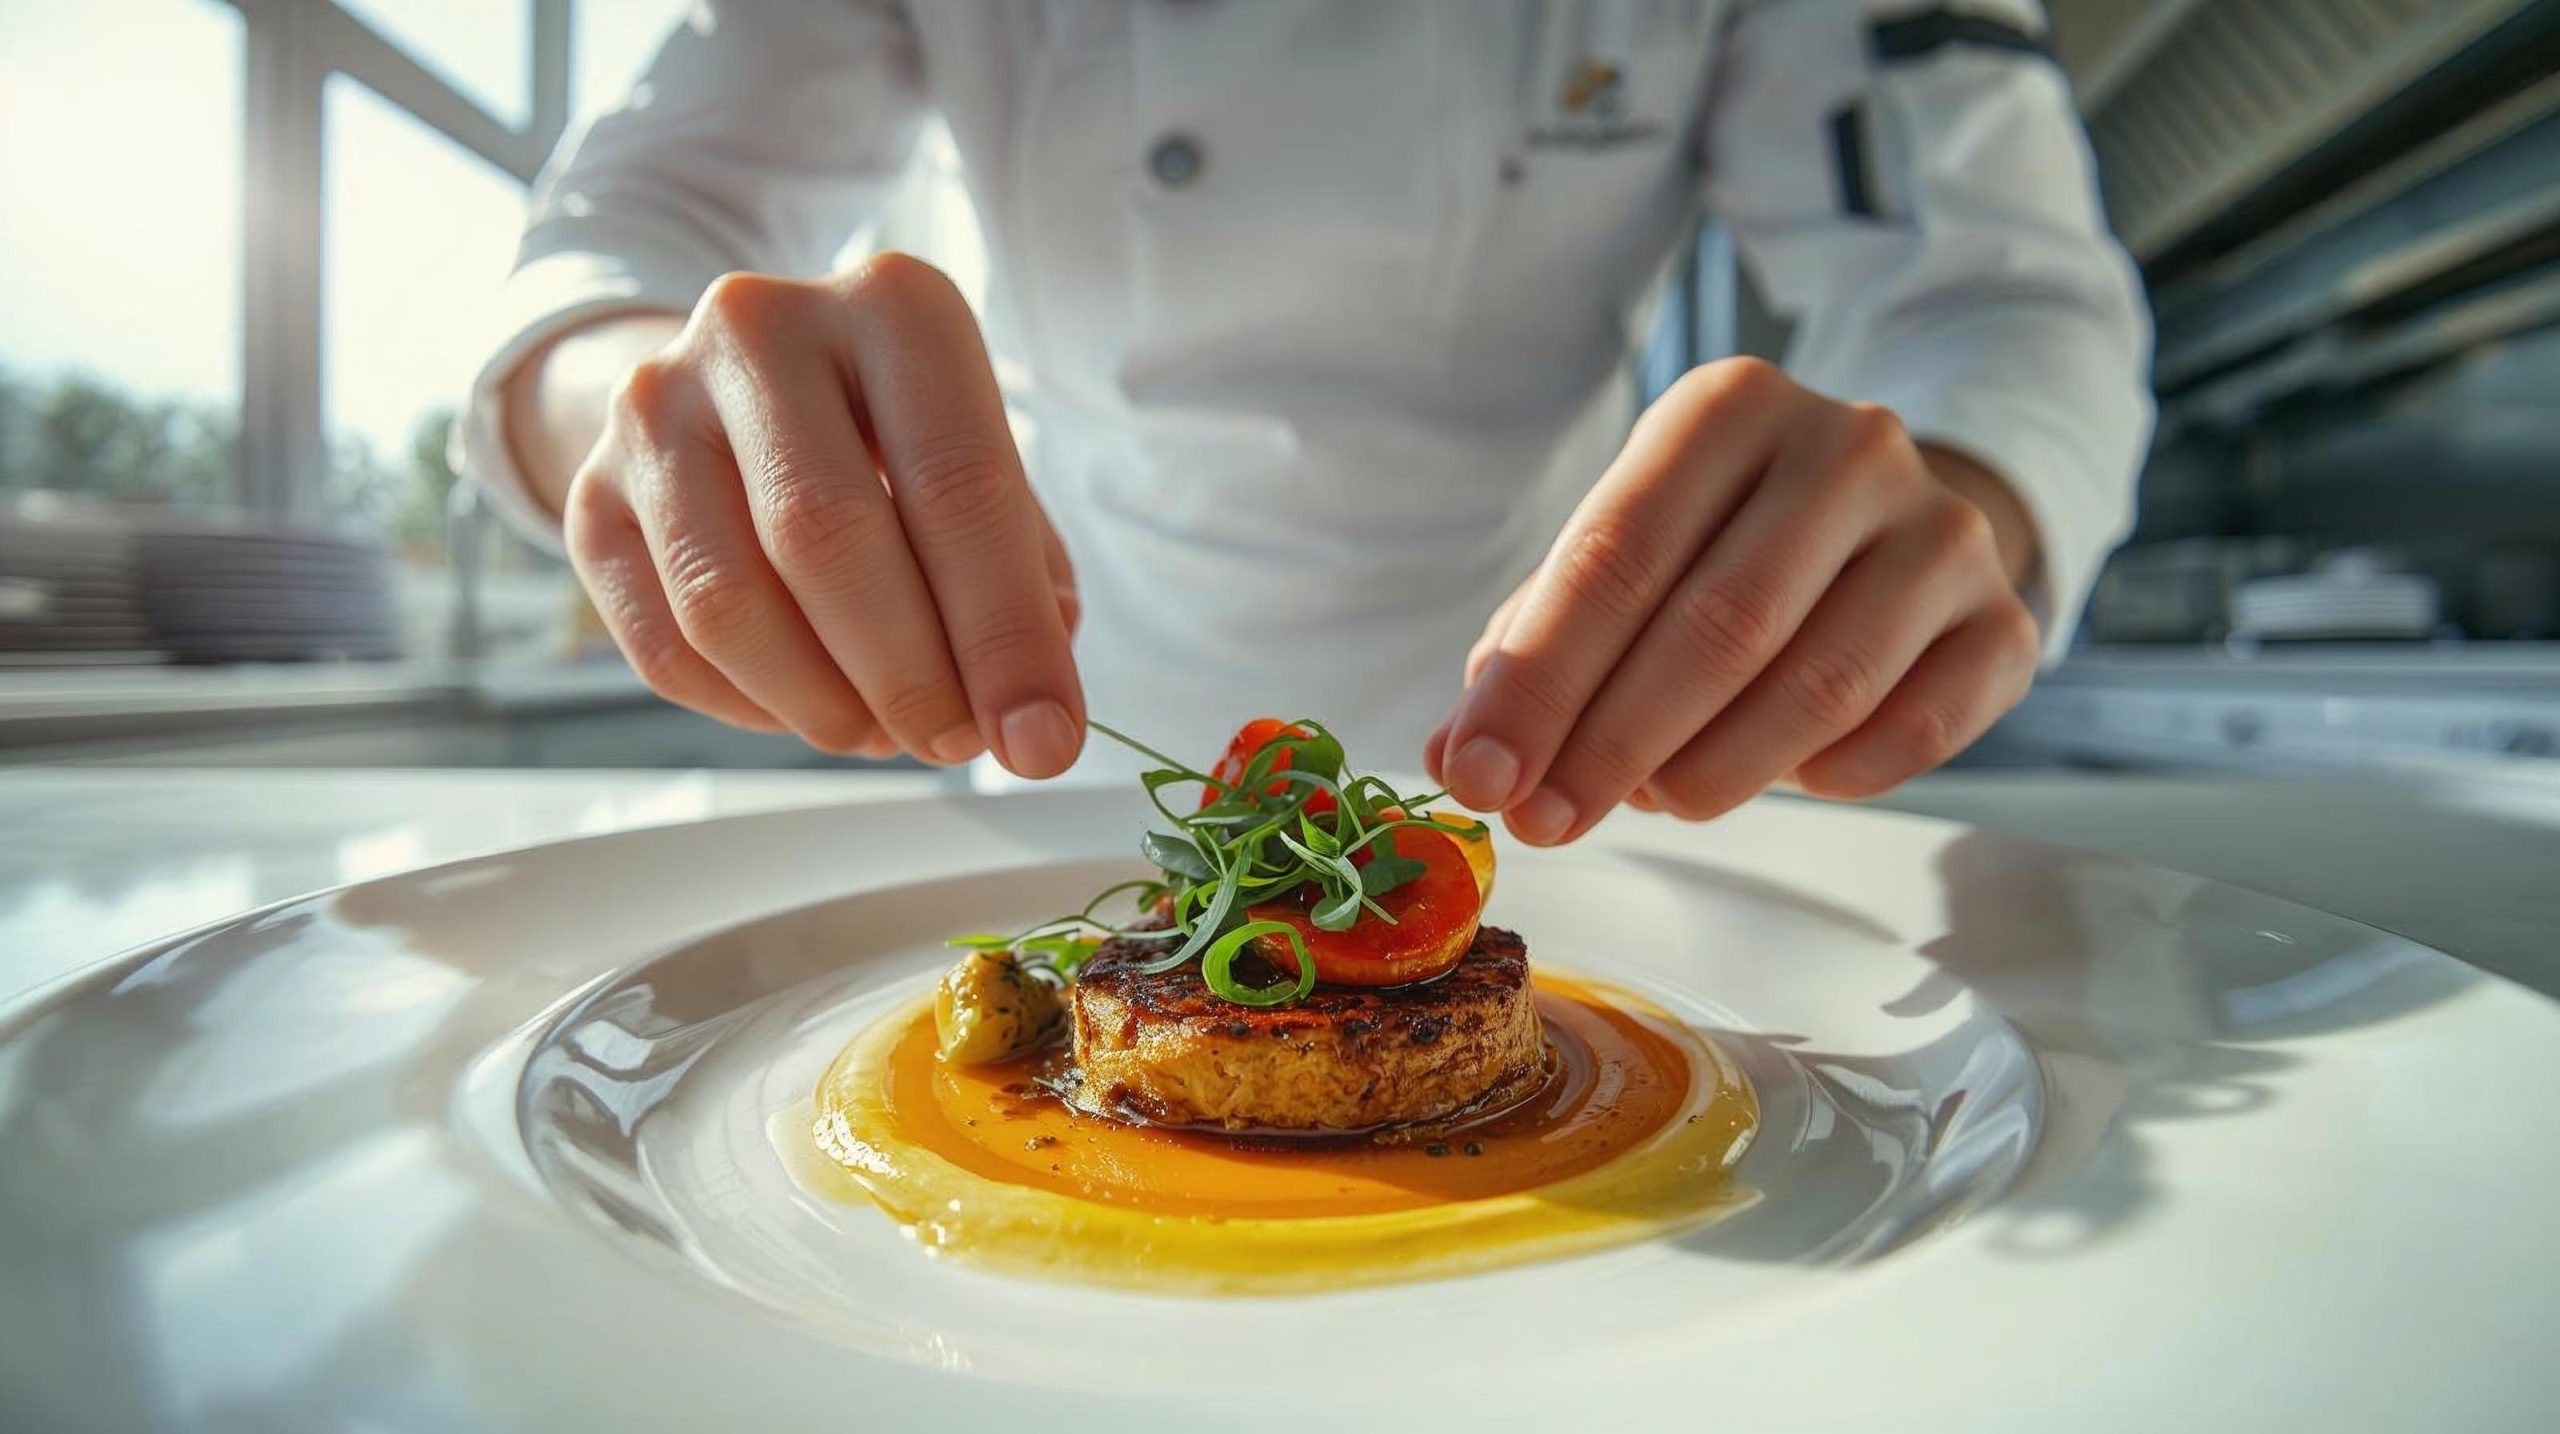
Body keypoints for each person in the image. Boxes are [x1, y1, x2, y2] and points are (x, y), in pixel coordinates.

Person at [458, 0, 2149, 847]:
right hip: (1053, 761)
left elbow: (1998, 299)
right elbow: (615, 246)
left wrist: (1970, 487)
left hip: (1592, 782)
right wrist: (649, 413)